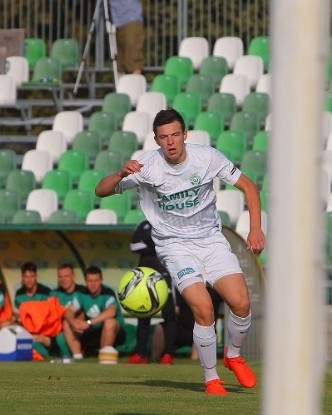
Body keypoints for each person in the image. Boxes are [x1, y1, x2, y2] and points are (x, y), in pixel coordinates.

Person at [95, 108, 265, 395]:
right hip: (174, 246)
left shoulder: (207, 158)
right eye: (164, 137)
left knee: (241, 303)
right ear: (156, 140)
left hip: (211, 240)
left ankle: (233, 355)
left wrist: (256, 229)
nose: (171, 142)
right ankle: (211, 379)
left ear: (185, 135)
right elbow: (100, 191)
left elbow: (249, 187)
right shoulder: (145, 167)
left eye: (175, 135)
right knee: (204, 309)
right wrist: (119, 173)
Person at [127, 219, 177, 365]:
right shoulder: (144, 224)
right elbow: (134, 246)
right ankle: (140, 354)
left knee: (170, 316)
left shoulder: (169, 222)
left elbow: (171, 246)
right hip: (144, 277)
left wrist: (149, 243)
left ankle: (168, 354)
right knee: (143, 315)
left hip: (165, 274)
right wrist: (155, 243)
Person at [62, 265, 126, 362]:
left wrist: (88, 323)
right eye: (90, 281)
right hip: (91, 331)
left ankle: (104, 357)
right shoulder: (82, 293)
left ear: (101, 280)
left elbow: (111, 312)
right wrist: (73, 322)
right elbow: (69, 311)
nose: (93, 284)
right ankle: (78, 357)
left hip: (112, 332)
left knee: (110, 322)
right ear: (86, 281)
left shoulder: (107, 292)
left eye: (95, 281)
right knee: (67, 322)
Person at [12, 261, 58, 352]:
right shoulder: (19, 294)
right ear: (22, 278)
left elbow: (50, 315)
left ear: (36, 276)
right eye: (26, 277)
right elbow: (17, 314)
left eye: (32, 276)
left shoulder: (45, 292)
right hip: (27, 329)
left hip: (44, 330)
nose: (29, 280)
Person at [51, 263, 88, 360]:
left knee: (70, 321)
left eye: (66, 276)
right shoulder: (54, 294)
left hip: (81, 329)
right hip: (59, 329)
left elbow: (84, 313)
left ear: (73, 276)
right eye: (60, 277)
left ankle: (76, 355)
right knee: (60, 337)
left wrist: (75, 323)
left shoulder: (83, 291)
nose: (63, 280)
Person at [110, 0, 144, 75]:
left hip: (132, 18)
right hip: (118, 23)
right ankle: (124, 84)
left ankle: (136, 83)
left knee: (134, 56)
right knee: (122, 61)